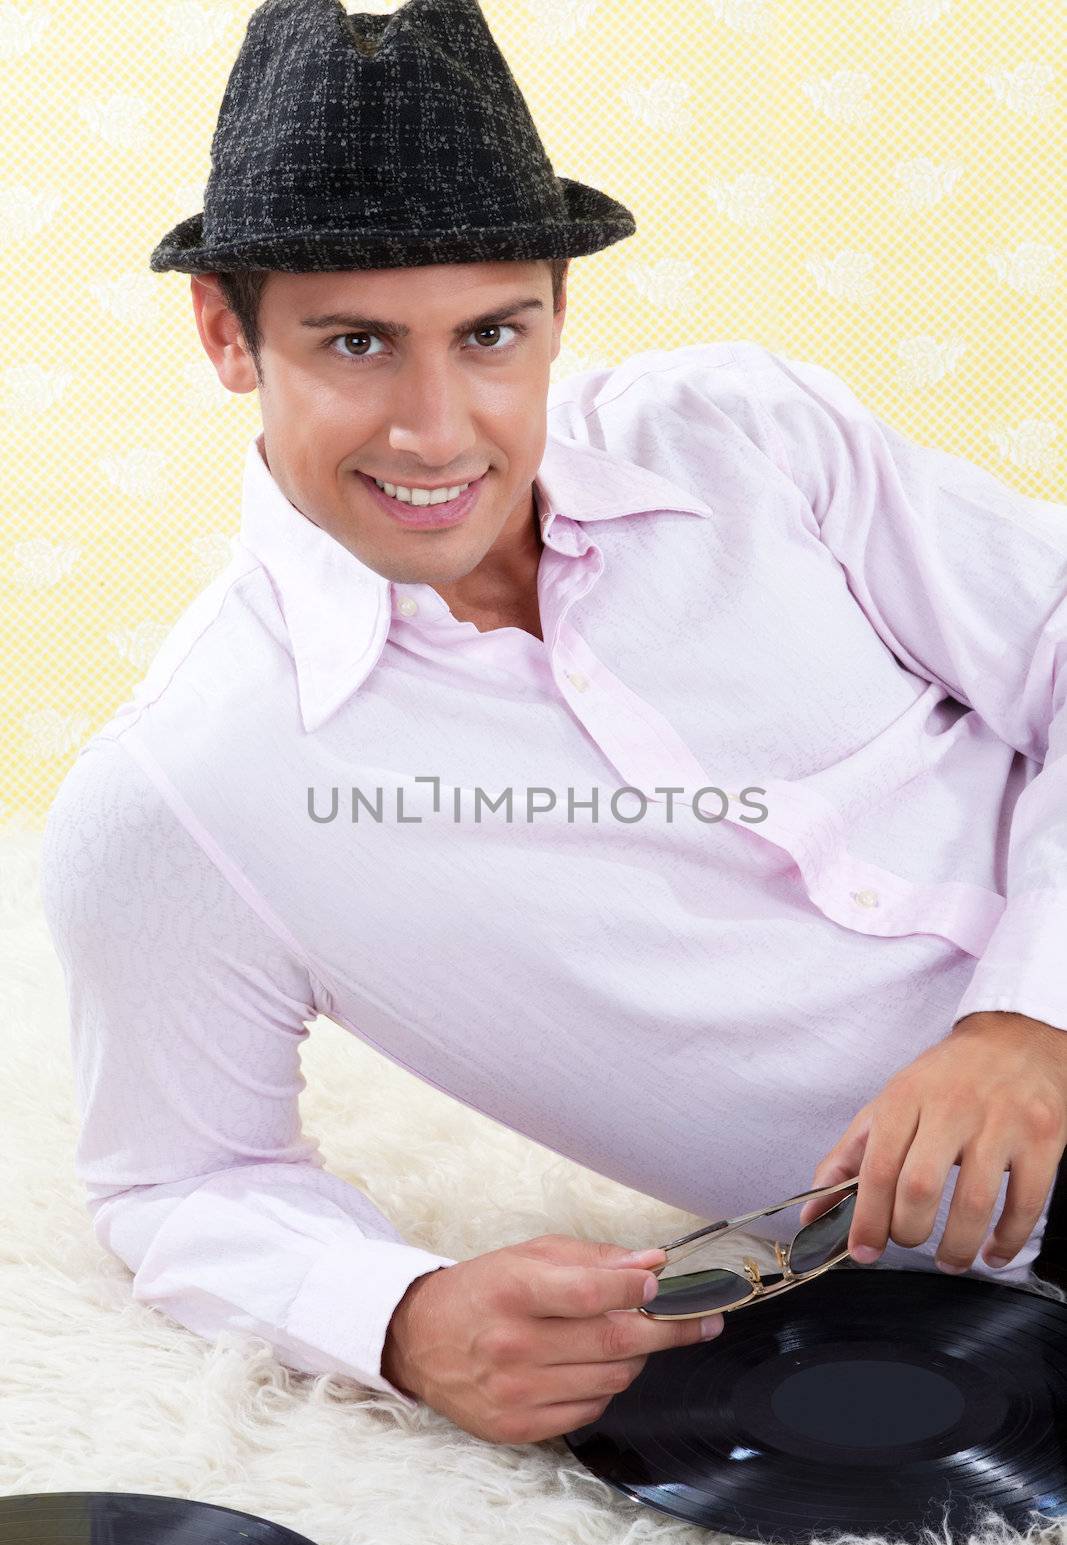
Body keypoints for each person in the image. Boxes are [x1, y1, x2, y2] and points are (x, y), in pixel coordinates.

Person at [40, 0, 1067, 1449]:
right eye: (356, 343)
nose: (438, 428)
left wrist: (1031, 1015)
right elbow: (173, 1183)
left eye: (491, 332)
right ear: (227, 334)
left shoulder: (754, 435)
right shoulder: (181, 797)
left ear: (557, 316)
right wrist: (400, 1313)